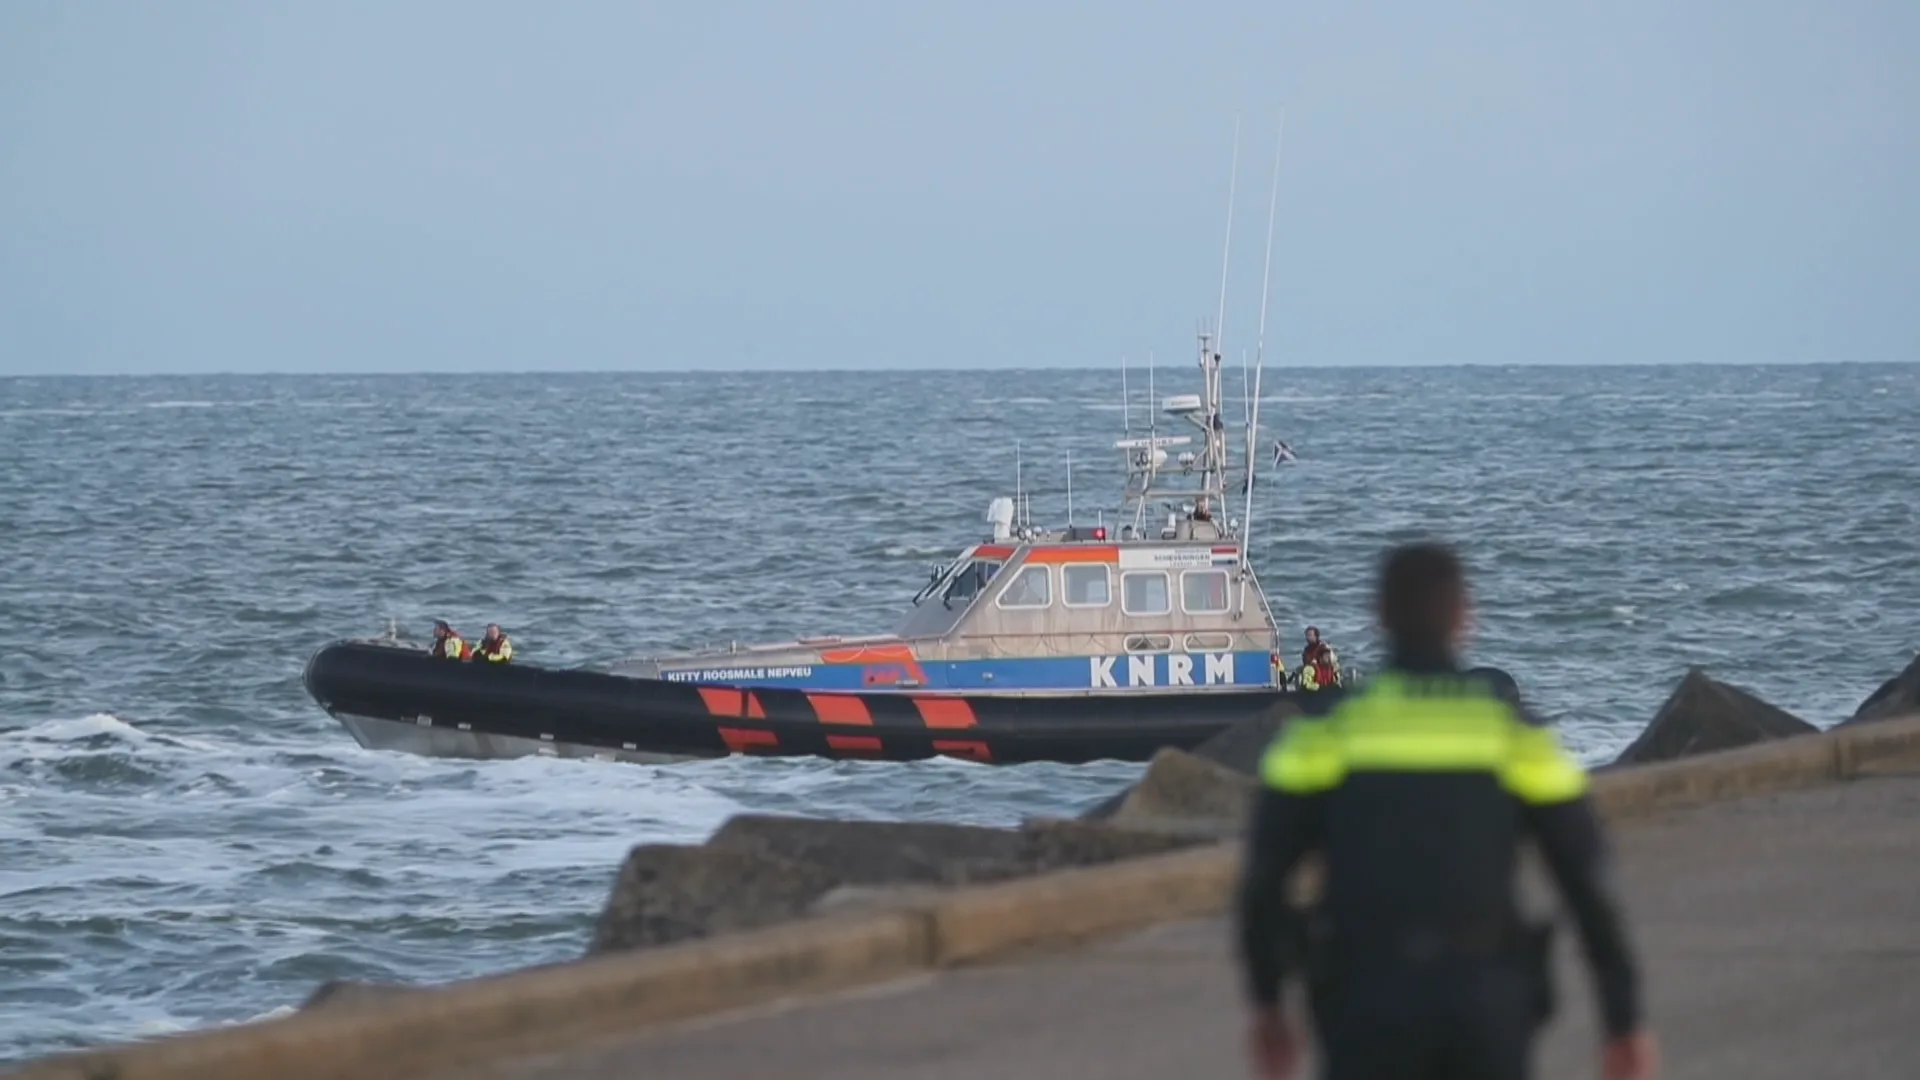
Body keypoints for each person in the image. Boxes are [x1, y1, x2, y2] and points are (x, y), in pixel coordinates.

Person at [1235, 540, 1657, 1080]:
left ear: (1380, 616)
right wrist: (1623, 1019)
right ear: (1464, 618)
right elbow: (1588, 881)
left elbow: (1262, 881)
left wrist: (1268, 1004)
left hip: (1366, 1005)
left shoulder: (1323, 734)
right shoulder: (1514, 735)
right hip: (1485, 1005)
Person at [1299, 626, 1341, 691]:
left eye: (1310, 635)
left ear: (1316, 636)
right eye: (1307, 635)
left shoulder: (1324, 648)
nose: (1308, 637)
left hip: (1323, 673)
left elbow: (1333, 662)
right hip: (1311, 674)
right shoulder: (1306, 650)